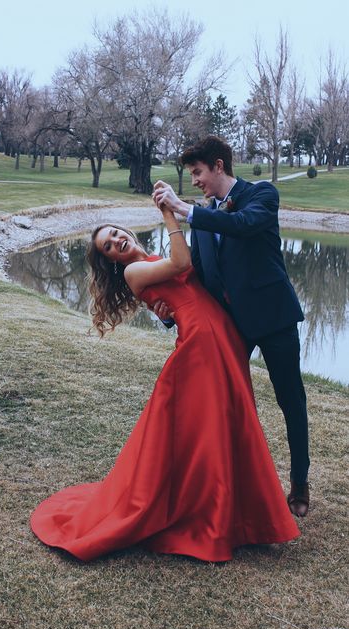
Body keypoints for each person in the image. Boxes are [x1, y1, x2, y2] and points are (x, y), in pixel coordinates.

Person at [29, 206, 300, 562]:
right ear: (111, 259)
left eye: (113, 233)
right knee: (208, 431)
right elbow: (182, 264)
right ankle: (212, 519)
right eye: (108, 246)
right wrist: (169, 213)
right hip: (201, 344)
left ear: (123, 228)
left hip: (223, 337)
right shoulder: (135, 271)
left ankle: (238, 514)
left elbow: (191, 275)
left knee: (231, 422)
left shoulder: (149, 259)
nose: (116, 241)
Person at [152, 135, 310, 518]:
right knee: (225, 403)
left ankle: (300, 483)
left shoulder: (262, 195)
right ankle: (232, 486)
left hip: (274, 319)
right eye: (192, 175)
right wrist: (169, 311)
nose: (196, 181)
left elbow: (242, 225)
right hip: (233, 328)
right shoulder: (203, 219)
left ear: (219, 166)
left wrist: (182, 208)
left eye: (199, 172)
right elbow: (201, 277)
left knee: (291, 400)